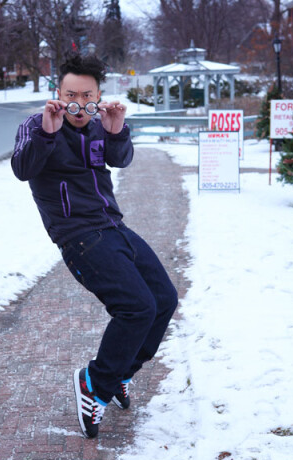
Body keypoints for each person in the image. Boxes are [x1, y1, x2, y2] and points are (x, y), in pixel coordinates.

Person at [11, 53, 178, 439]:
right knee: (136, 308)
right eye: (71, 94)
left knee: (164, 299)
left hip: (113, 226)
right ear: (58, 93)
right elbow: (22, 169)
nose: (79, 103)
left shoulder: (101, 123)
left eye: (88, 96)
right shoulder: (37, 125)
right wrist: (47, 133)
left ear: (99, 95)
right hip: (78, 236)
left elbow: (120, 159)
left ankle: (118, 372)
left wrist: (118, 130)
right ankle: (95, 384)